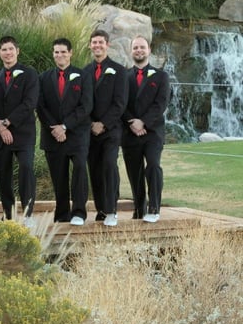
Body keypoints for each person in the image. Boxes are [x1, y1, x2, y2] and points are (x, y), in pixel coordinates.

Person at [36, 37, 93, 225]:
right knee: (58, 175)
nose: (59, 55)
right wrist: (55, 128)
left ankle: (79, 212)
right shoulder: (43, 77)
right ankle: (62, 214)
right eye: (56, 52)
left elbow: (85, 106)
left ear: (70, 53)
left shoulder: (82, 75)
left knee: (79, 170)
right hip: (53, 135)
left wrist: (65, 126)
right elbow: (41, 106)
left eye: (63, 52)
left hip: (77, 134)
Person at [0, 36, 38, 222]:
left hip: (23, 133)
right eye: (4, 49)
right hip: (0, 135)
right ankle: (8, 213)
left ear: (17, 51)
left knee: (26, 168)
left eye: (11, 49)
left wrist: (7, 123)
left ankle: (28, 214)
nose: (8, 53)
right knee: (2, 174)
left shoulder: (30, 74)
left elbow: (29, 103)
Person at [122, 36, 171, 223]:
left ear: (149, 50)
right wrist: (131, 122)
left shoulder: (161, 76)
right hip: (130, 132)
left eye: (142, 47)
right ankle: (139, 207)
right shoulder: (124, 77)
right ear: (131, 50)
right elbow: (119, 104)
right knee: (134, 172)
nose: (139, 50)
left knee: (153, 165)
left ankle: (154, 207)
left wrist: (143, 122)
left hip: (153, 132)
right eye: (135, 47)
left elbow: (161, 104)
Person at [83, 30, 127, 227]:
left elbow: (120, 102)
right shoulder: (84, 72)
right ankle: (101, 209)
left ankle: (111, 210)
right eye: (94, 42)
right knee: (94, 168)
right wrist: (91, 123)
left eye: (100, 42)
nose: (97, 45)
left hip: (111, 129)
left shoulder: (119, 70)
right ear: (90, 45)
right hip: (90, 130)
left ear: (107, 45)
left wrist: (104, 123)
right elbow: (82, 101)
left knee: (109, 165)